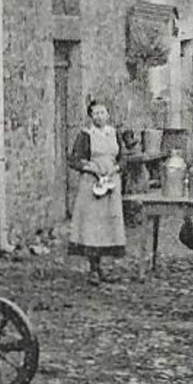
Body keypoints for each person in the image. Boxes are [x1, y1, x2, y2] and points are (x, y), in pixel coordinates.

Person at [68, 97, 126, 285]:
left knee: (108, 225)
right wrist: (91, 167)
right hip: (92, 185)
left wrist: (116, 168)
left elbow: (123, 158)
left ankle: (104, 268)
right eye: (95, 113)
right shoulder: (86, 135)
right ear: (90, 116)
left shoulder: (114, 134)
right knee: (92, 227)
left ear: (108, 114)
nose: (99, 116)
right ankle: (93, 268)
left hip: (111, 183)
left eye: (102, 112)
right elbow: (75, 159)